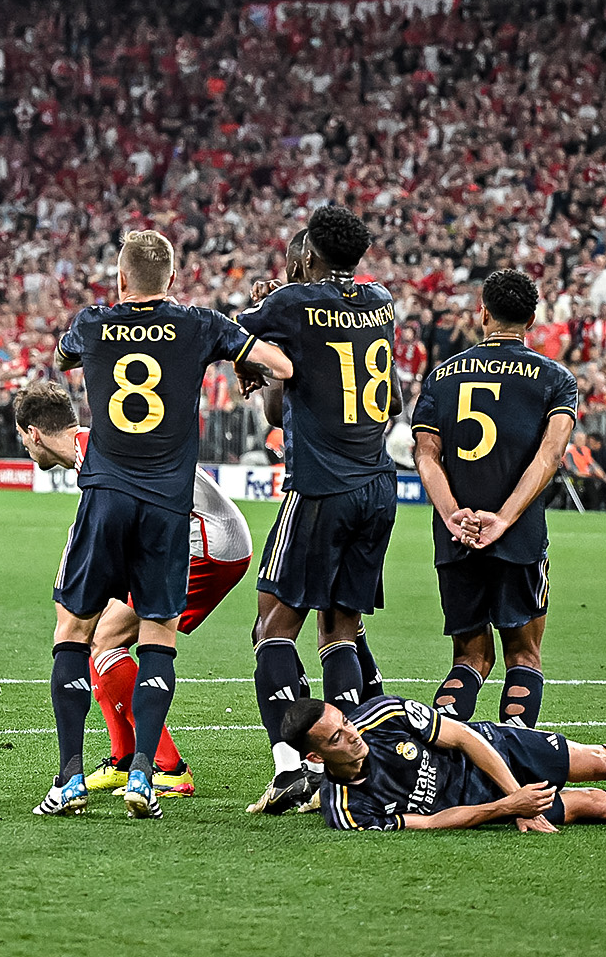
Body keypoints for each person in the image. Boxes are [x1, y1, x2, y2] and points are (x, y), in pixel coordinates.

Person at [34, 230, 292, 820]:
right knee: (157, 635)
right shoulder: (199, 324)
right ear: (171, 281)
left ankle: (69, 778)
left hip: (105, 495)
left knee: (74, 632)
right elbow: (279, 363)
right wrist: (249, 363)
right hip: (167, 505)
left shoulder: (92, 322)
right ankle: (146, 777)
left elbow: (64, 355)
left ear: (121, 278)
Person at [232, 210, 403, 814]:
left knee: (271, 626)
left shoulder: (294, 302)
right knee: (342, 631)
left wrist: (260, 342)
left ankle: (287, 768)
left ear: (307, 257)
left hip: (319, 488)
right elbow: (386, 399)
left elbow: (233, 337)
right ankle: (348, 775)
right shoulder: (381, 300)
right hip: (378, 488)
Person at [14, 378, 253, 800]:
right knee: (99, 634)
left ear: (34, 433)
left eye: (22, 439)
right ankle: (124, 759)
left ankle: (169, 767)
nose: (25, 449)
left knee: (104, 637)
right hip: (199, 534)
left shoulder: (98, 451)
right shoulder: (98, 445)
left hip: (207, 542)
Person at [410, 269, 579, 729]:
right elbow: (550, 455)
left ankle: (442, 754)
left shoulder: (442, 376)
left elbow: (426, 455)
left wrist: (451, 516)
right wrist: (503, 519)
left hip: (456, 534)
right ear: (532, 318)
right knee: (523, 653)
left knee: (469, 657)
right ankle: (517, 759)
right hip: (519, 535)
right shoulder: (555, 379)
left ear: (482, 313)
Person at [279, 695, 606, 831]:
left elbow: (466, 738)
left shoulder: (380, 715)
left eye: (345, 722)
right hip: (481, 802)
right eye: (338, 737)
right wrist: (507, 807)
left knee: (594, 762)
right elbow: (429, 822)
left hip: (496, 751)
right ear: (316, 757)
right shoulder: (346, 810)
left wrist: (520, 798)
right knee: (590, 805)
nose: (353, 735)